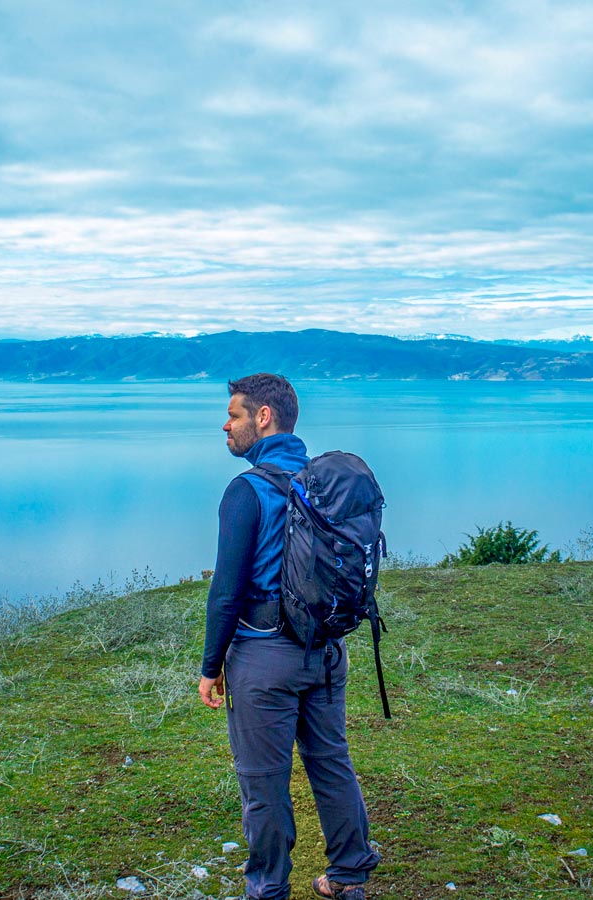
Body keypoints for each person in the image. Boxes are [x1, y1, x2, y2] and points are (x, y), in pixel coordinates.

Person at [198, 373, 380, 900]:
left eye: (233, 414)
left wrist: (212, 667)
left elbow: (226, 590)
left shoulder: (247, 490)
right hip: (326, 649)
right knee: (331, 762)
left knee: (263, 783)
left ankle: (269, 889)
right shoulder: (321, 480)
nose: (225, 425)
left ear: (263, 417)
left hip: (263, 656)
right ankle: (348, 877)